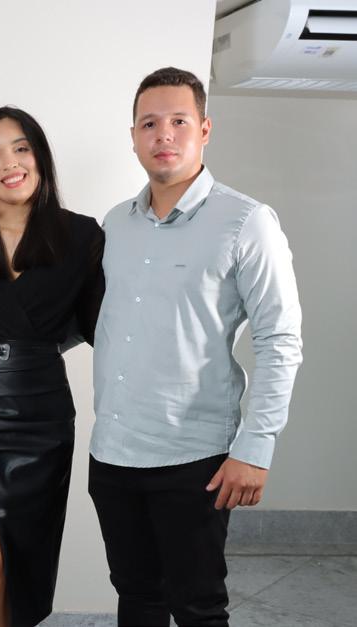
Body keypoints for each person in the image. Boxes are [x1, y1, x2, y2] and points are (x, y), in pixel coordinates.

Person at [89, 67, 303, 627]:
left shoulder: (247, 222)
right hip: (113, 452)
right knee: (136, 597)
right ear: (133, 136)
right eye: (149, 124)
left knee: (198, 608)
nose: (163, 134)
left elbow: (279, 339)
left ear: (205, 129)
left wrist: (255, 448)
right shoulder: (116, 224)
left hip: (194, 458)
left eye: (179, 121)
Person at [0, 107, 105, 627]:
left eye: (21, 149)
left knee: (22, 567)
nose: (9, 164)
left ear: (40, 156)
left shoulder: (82, 235)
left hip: (42, 418)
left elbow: (100, 327)